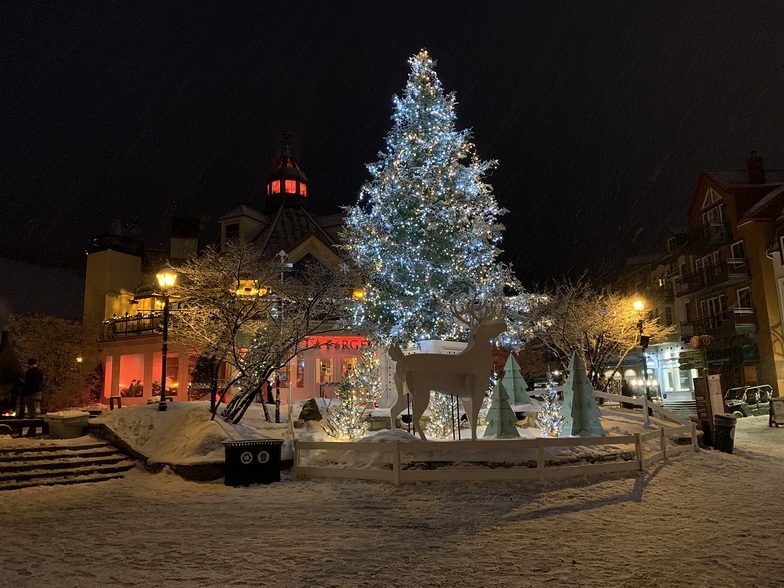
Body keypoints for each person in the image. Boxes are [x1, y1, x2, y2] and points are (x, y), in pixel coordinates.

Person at [24, 358, 44, 436]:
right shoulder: (40, 371)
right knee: (34, 412)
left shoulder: (29, 372)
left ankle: (32, 430)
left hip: (31, 394)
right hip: (39, 394)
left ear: (30, 365)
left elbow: (28, 384)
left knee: (32, 414)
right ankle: (32, 429)